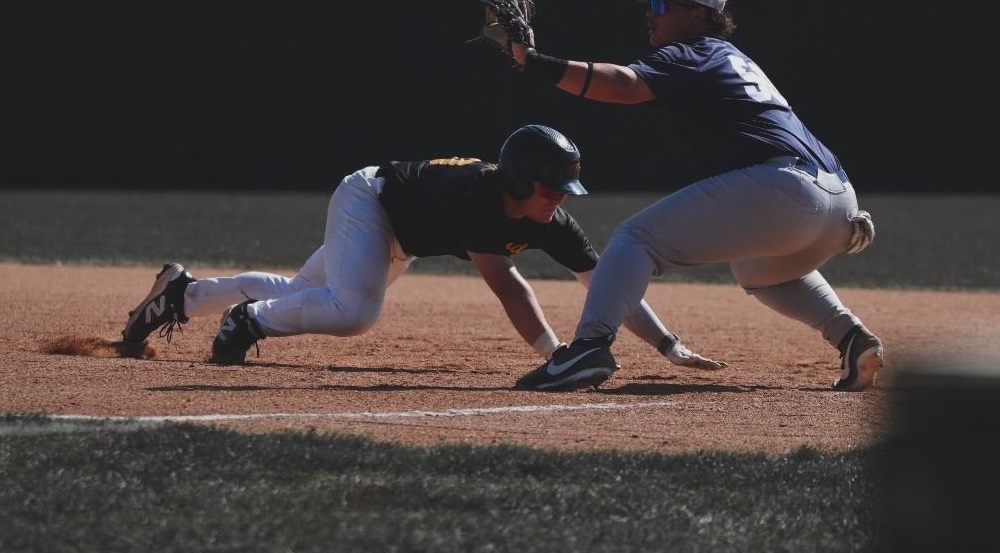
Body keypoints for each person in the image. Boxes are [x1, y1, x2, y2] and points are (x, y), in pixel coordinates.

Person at [500, 0, 881, 393]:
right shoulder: (735, 59)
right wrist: (835, 205)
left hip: (786, 190)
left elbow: (623, 86)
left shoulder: (696, 51)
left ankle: (589, 347)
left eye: (661, 3)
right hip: (838, 199)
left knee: (634, 240)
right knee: (758, 270)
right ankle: (852, 338)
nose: (650, 12)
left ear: (697, 15)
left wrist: (532, 60)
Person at [117, 124, 721, 372]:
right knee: (354, 312)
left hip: (397, 228)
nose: (558, 199)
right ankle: (245, 322)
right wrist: (556, 352)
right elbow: (510, 285)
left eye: (564, 189)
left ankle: (184, 293)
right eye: (549, 186)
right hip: (369, 201)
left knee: (310, 296)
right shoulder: (477, 200)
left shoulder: (549, 218)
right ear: (515, 180)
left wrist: (670, 346)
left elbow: (606, 285)